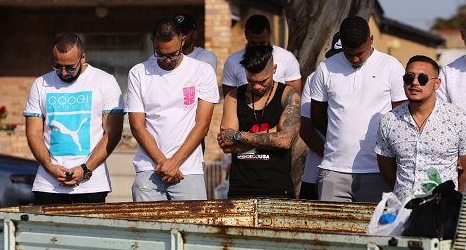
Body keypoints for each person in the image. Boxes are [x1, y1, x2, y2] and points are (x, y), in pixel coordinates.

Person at [310, 16, 406, 203]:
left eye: (360, 53)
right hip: (333, 171)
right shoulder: (325, 68)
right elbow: (316, 115)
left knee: (374, 231)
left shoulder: (391, 67)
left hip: (378, 171)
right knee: (330, 231)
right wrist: (338, 137)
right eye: (348, 53)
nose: (354, 59)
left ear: (371, 40)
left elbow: (400, 118)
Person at [24, 33, 124, 205]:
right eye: (57, 66)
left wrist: (85, 169)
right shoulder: (41, 84)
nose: (63, 72)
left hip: (91, 185)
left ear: (83, 58)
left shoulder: (105, 81)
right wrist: (51, 168)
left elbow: (113, 133)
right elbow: (33, 133)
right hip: (48, 185)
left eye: (70, 67)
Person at [127, 17, 219, 201]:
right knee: (147, 229)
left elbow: (202, 124)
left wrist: (174, 162)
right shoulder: (138, 73)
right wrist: (163, 163)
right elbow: (137, 126)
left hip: (188, 169)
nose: (168, 60)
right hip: (149, 168)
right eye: (161, 54)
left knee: (194, 228)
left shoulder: (202, 70)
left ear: (182, 41)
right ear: (153, 42)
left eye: (175, 53)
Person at [375, 55, 466, 200]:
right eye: (409, 77)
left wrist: (455, 205)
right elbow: (387, 171)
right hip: (401, 212)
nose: (415, 83)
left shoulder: (460, 120)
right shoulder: (389, 120)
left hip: (442, 213)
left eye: (423, 78)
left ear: (437, 83)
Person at [218, 44, 300, 198]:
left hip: (278, 190)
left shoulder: (288, 95)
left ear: (274, 69)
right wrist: (273, 133)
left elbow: (285, 141)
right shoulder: (234, 97)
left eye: (263, 81)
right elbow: (227, 146)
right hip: (241, 189)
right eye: (251, 81)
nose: (257, 86)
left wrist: (239, 136)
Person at [298, 32, 342, 200]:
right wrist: (333, 157)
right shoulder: (315, 77)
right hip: (316, 170)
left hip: (360, 171)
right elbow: (306, 129)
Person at [221, 14, 301, 97]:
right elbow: (229, 98)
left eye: (263, 43)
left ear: (270, 32)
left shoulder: (287, 58)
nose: (258, 47)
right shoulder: (232, 61)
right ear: (246, 34)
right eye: (253, 43)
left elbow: (294, 96)